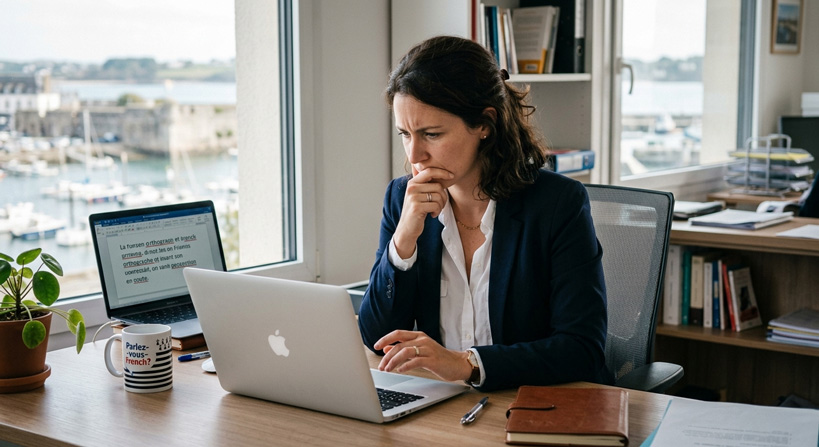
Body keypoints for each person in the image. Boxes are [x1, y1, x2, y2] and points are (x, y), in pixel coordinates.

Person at [358, 35, 613, 392]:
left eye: (431, 134)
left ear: (484, 124)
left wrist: (466, 364)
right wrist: (403, 243)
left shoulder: (557, 204)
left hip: (535, 406)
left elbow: (582, 349)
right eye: (405, 134)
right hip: (444, 406)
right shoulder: (403, 199)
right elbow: (376, 338)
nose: (415, 155)